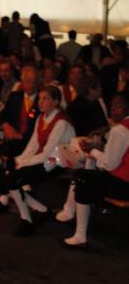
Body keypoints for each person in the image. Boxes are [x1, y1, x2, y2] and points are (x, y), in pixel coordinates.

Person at [0, 85, 75, 236]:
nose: (40, 102)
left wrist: (23, 163)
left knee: (13, 179)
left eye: (45, 99)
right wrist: (20, 160)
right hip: (45, 159)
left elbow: (48, 154)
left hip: (57, 162)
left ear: (56, 102)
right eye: (40, 99)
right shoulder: (41, 118)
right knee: (12, 175)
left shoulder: (61, 122)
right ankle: (36, 213)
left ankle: (30, 217)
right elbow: (33, 145)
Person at [60, 92, 129, 249]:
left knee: (82, 177)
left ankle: (79, 235)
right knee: (88, 175)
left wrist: (92, 151)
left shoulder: (120, 130)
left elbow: (108, 165)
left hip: (124, 186)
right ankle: (71, 213)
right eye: (112, 106)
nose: (113, 110)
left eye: (119, 106)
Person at [0, 65, 41, 214]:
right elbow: (2, 116)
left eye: (34, 82)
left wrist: (21, 136)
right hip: (15, 142)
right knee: (6, 156)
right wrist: (6, 125)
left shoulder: (43, 99)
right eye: (28, 82)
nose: (31, 85)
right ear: (22, 82)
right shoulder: (15, 96)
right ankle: (11, 196)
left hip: (35, 143)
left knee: (12, 159)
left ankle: (6, 198)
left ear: (38, 82)